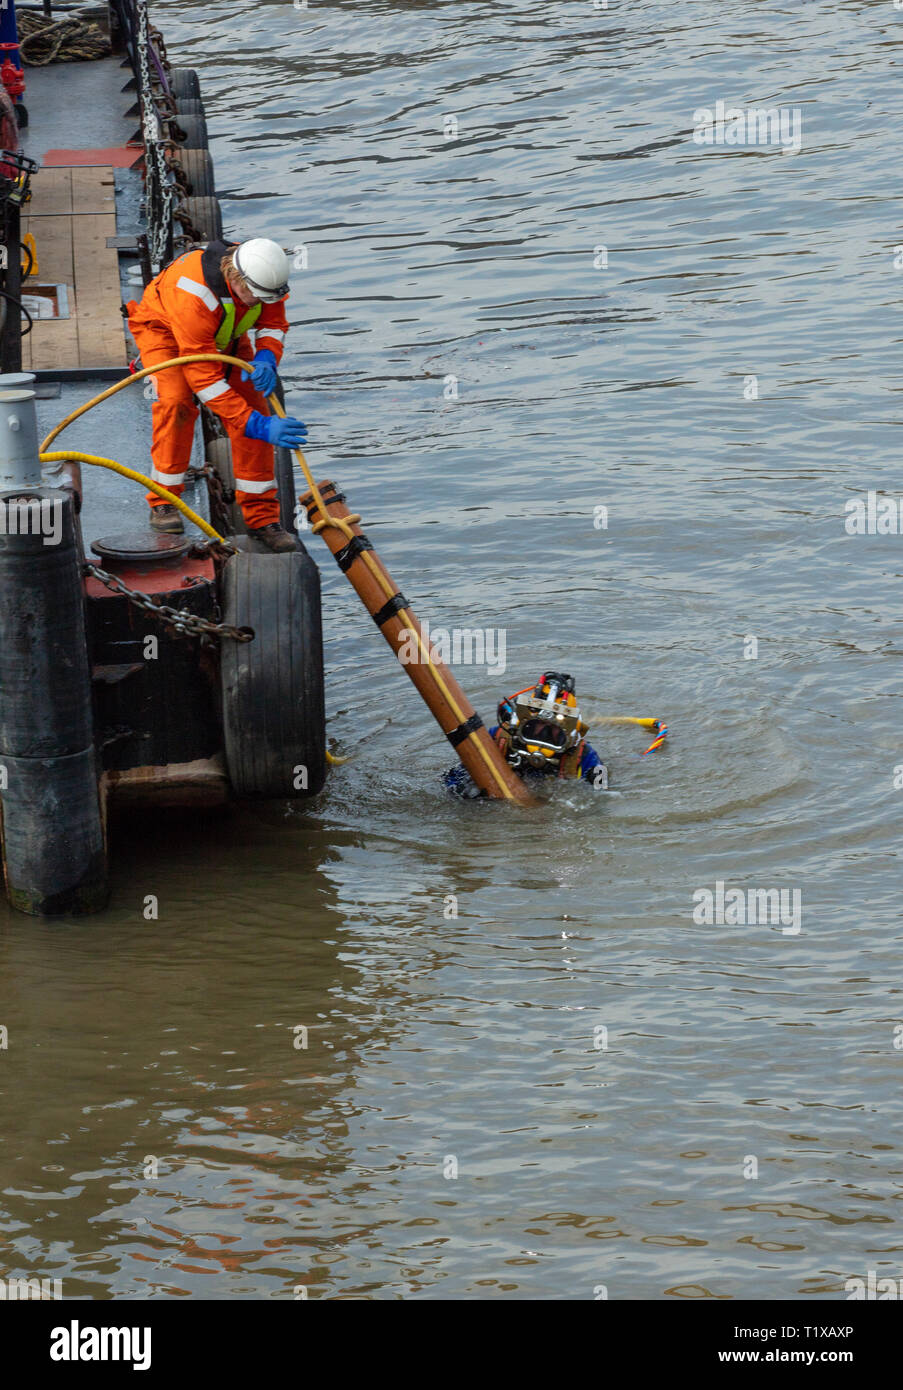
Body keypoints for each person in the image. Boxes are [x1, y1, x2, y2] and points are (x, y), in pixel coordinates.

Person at [126, 237, 307, 551]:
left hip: (225, 333)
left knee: (255, 405)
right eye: (254, 296)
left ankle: (262, 518)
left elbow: (273, 324)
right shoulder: (193, 294)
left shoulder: (266, 277)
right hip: (165, 333)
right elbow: (204, 379)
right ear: (236, 278)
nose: (257, 302)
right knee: (177, 404)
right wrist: (256, 425)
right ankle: (164, 500)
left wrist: (267, 357)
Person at [444, 671, 608, 796]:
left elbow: (604, 790)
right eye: (536, 727)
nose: (543, 735)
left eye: (553, 732)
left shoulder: (584, 755)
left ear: (569, 736)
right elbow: (457, 774)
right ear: (521, 722)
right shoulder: (500, 737)